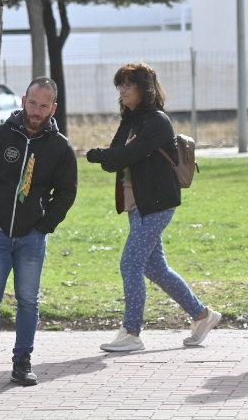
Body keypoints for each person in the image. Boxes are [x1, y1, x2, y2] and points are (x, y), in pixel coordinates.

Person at [85, 62, 220, 353]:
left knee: (130, 263)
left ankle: (132, 333)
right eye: (119, 85)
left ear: (143, 89)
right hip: (137, 205)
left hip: (158, 203)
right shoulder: (130, 120)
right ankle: (202, 315)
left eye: (128, 85)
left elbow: (125, 154)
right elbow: (114, 159)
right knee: (156, 268)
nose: (122, 91)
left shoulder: (157, 121)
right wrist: (107, 156)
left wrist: (105, 155)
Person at [0, 77, 79, 387]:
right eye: (32, 103)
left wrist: (44, 226)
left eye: (44, 106)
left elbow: (66, 192)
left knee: (28, 300)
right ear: (23, 99)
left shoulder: (60, 147)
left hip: (31, 237)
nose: (37, 111)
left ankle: (22, 362)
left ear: (53, 108)